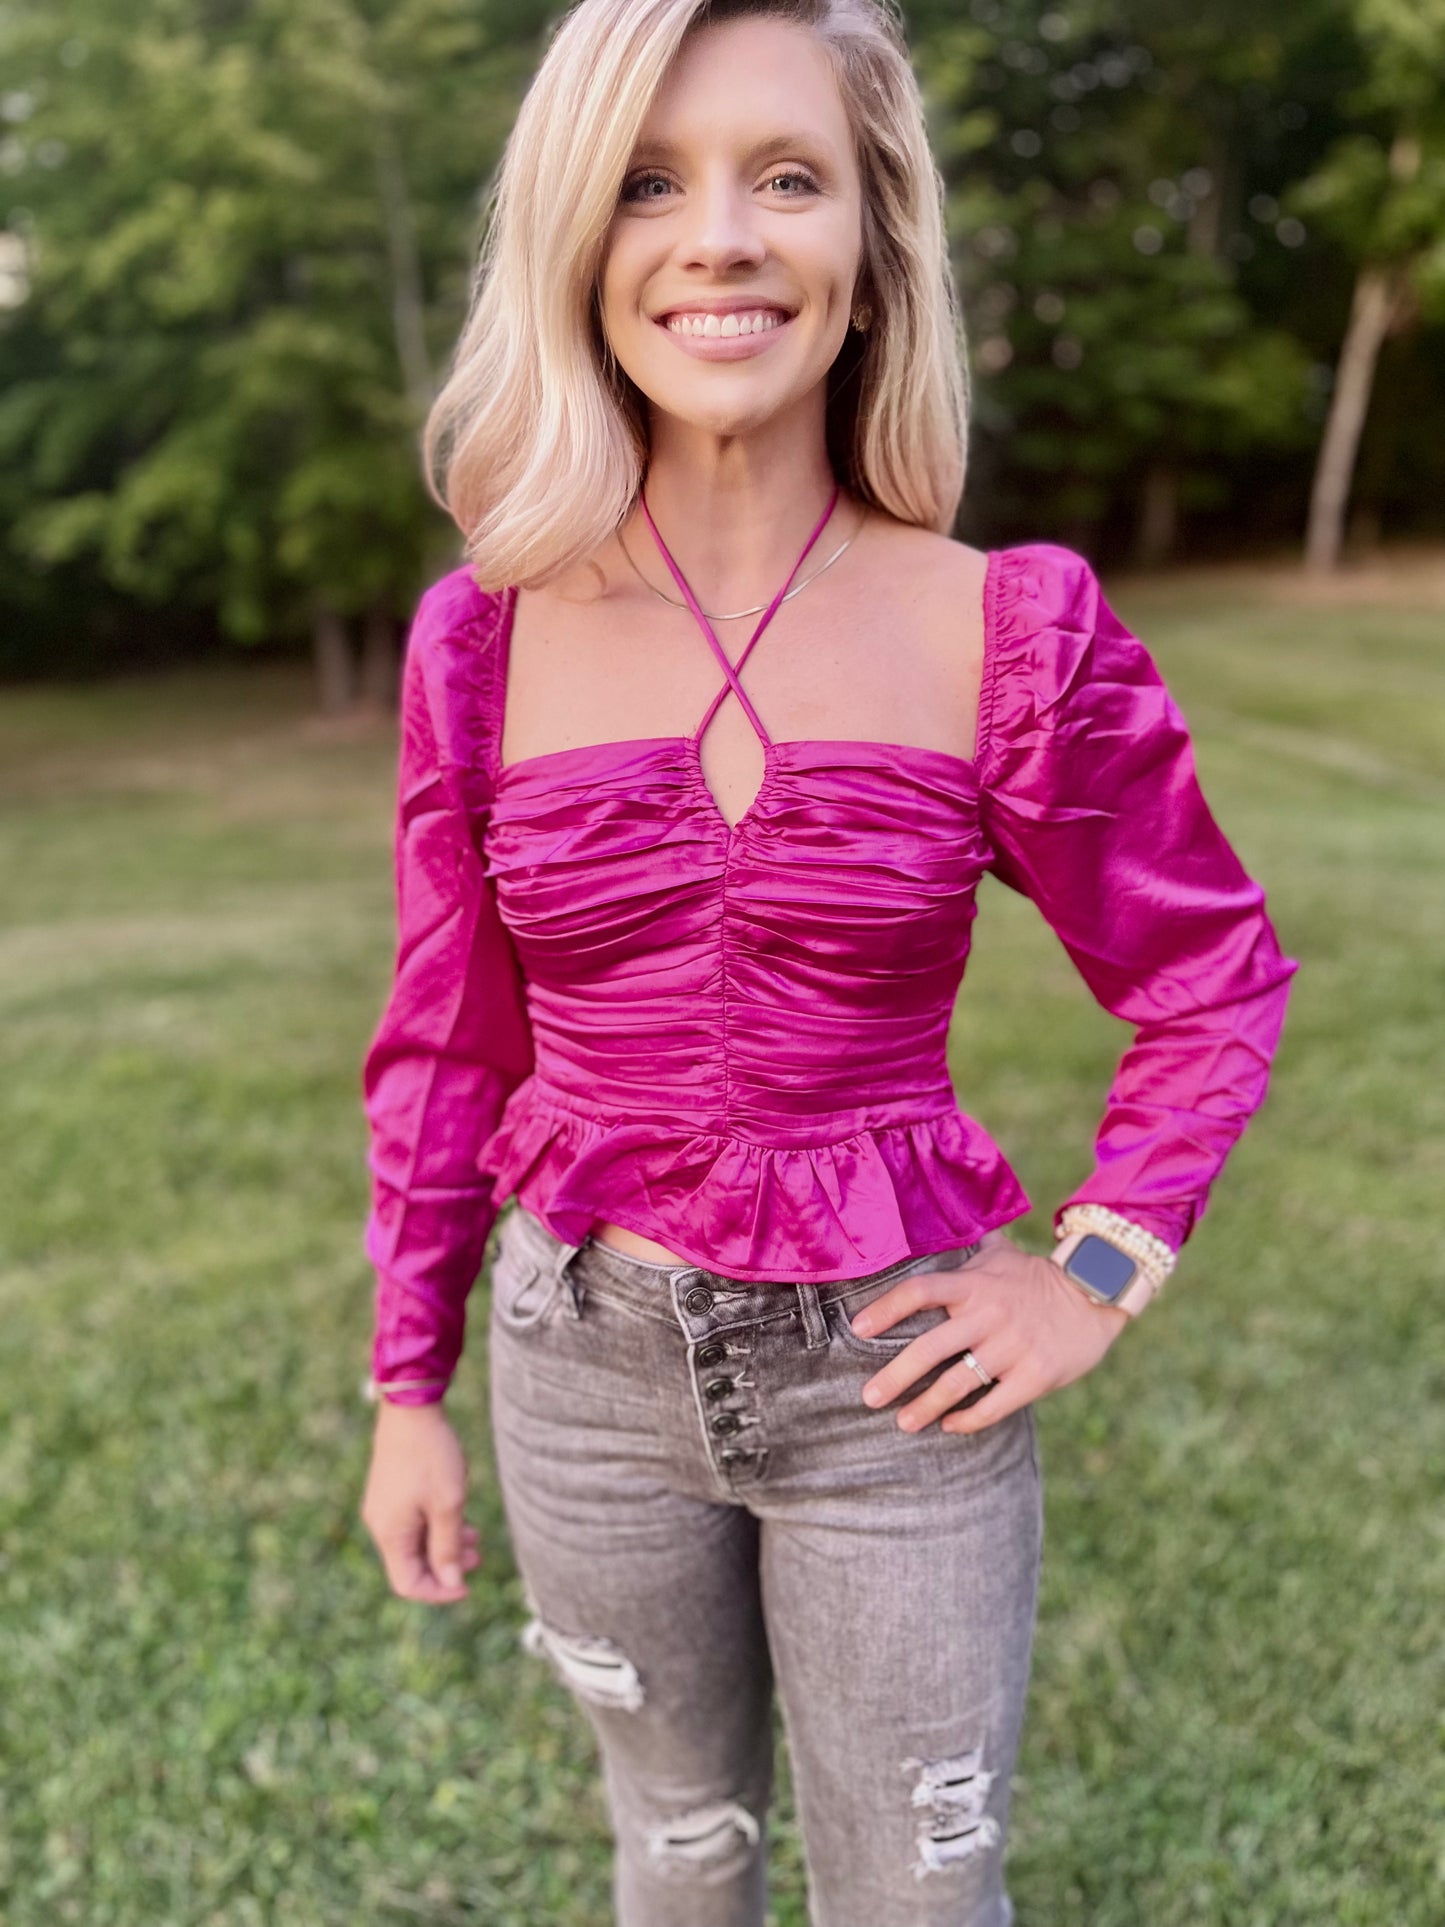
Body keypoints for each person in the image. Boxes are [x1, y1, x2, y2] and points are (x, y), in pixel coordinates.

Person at [357, 1, 1299, 1921]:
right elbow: (447, 1043)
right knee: (678, 1853)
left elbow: (1208, 975)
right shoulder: (482, 640)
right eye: (647, 182)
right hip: (579, 1377)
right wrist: (407, 1387)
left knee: (917, 1896)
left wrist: (1097, 1271)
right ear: (573, 240)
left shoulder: (1005, 625)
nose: (718, 236)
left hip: (895, 1395)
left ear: (868, 249)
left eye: (785, 178)